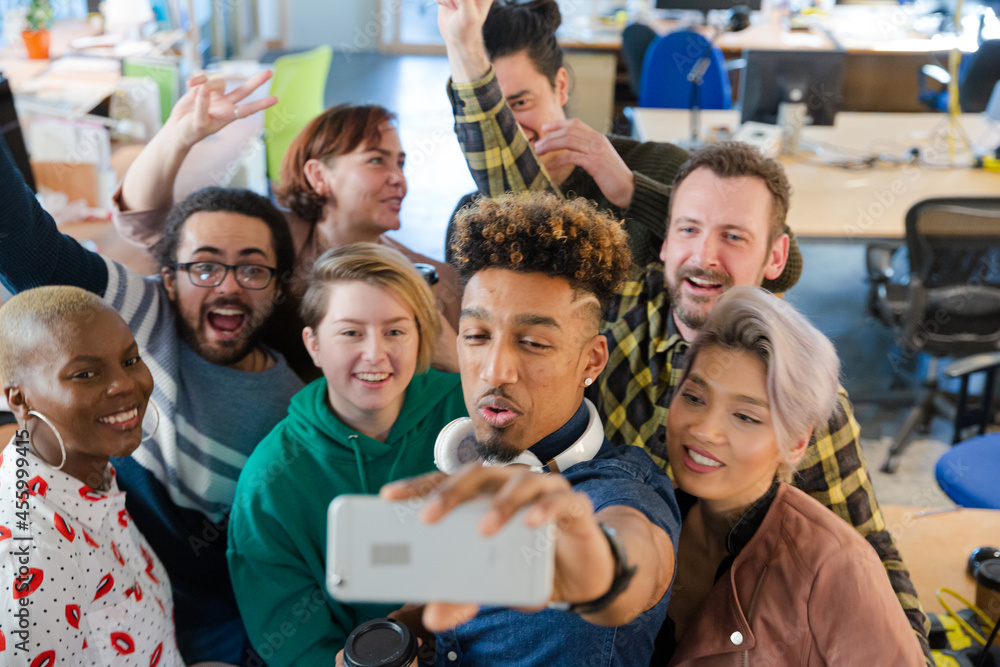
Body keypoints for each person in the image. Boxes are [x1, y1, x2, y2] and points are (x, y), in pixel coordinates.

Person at [590, 141, 934, 661]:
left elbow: (865, 552)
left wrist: (902, 646)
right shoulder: (610, 330)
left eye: (733, 236)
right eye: (688, 229)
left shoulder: (800, 391)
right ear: (663, 241)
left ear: (776, 258)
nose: (704, 255)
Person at [0, 136, 305, 665]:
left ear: (278, 287)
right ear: (167, 278)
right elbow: (25, 246)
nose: (227, 287)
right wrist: (181, 133)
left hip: (205, 613)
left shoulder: (294, 408)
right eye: (204, 267)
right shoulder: (143, 316)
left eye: (252, 269)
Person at [358, 191, 681, 666]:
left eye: (532, 342)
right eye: (476, 336)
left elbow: (636, 555)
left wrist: (601, 570)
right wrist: (406, 631)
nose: (495, 370)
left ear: (591, 359)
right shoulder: (476, 472)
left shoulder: (624, 492)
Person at [438, 0, 802, 293]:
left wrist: (633, 192)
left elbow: (785, 268)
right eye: (496, 113)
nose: (512, 129)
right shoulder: (474, 218)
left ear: (560, 86)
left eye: (519, 104)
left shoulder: (660, 167)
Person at [112, 74, 461, 377]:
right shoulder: (268, 235)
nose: (398, 179)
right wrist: (178, 136)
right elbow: (146, 223)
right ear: (318, 175)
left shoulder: (431, 280)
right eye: (376, 160)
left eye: (400, 164)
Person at [226, 243, 468, 665]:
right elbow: (297, 650)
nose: (375, 353)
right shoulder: (268, 484)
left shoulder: (472, 412)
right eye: (351, 332)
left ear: (419, 337)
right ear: (314, 344)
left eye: (395, 331)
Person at [659, 286, 924, 664]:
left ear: (796, 444)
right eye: (695, 398)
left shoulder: (837, 568)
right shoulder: (649, 513)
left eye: (746, 417)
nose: (704, 429)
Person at [0, 286, 183, 666]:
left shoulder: (88, 471)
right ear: (19, 400)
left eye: (130, 361)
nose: (125, 385)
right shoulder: (33, 560)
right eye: (85, 374)